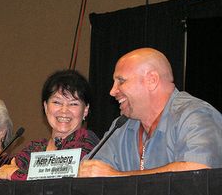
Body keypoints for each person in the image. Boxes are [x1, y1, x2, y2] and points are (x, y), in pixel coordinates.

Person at [78, 47, 222, 178]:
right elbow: (88, 172)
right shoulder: (122, 126)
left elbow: (198, 172)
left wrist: (117, 176)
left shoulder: (195, 116)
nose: (112, 91)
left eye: (121, 81)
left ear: (152, 80)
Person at [0, 69, 100, 180]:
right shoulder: (34, 149)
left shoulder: (86, 141)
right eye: (57, 102)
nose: (64, 110)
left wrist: (13, 174)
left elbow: (59, 185)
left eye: (73, 104)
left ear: (85, 110)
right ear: (45, 107)